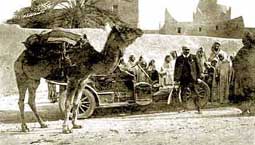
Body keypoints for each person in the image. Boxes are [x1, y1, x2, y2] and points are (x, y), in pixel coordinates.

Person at [174, 46, 202, 113]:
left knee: (195, 93)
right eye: (186, 50)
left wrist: (198, 77)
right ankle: (184, 108)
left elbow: (199, 68)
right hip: (183, 79)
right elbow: (176, 70)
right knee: (183, 94)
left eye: (188, 50)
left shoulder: (194, 57)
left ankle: (199, 109)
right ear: (182, 50)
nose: (187, 51)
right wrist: (176, 80)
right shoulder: (179, 59)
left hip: (192, 79)